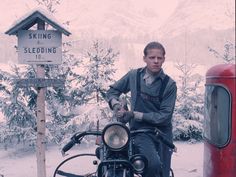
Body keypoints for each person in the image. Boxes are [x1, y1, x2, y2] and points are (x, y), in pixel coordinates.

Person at [106, 41, 177, 177]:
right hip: (140, 131)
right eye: (152, 58)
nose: (156, 61)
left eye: (159, 58)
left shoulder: (169, 85)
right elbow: (112, 91)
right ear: (144, 58)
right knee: (152, 164)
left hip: (162, 134)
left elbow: (164, 116)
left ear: (164, 59)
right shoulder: (134, 75)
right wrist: (116, 105)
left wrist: (134, 114)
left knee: (163, 172)